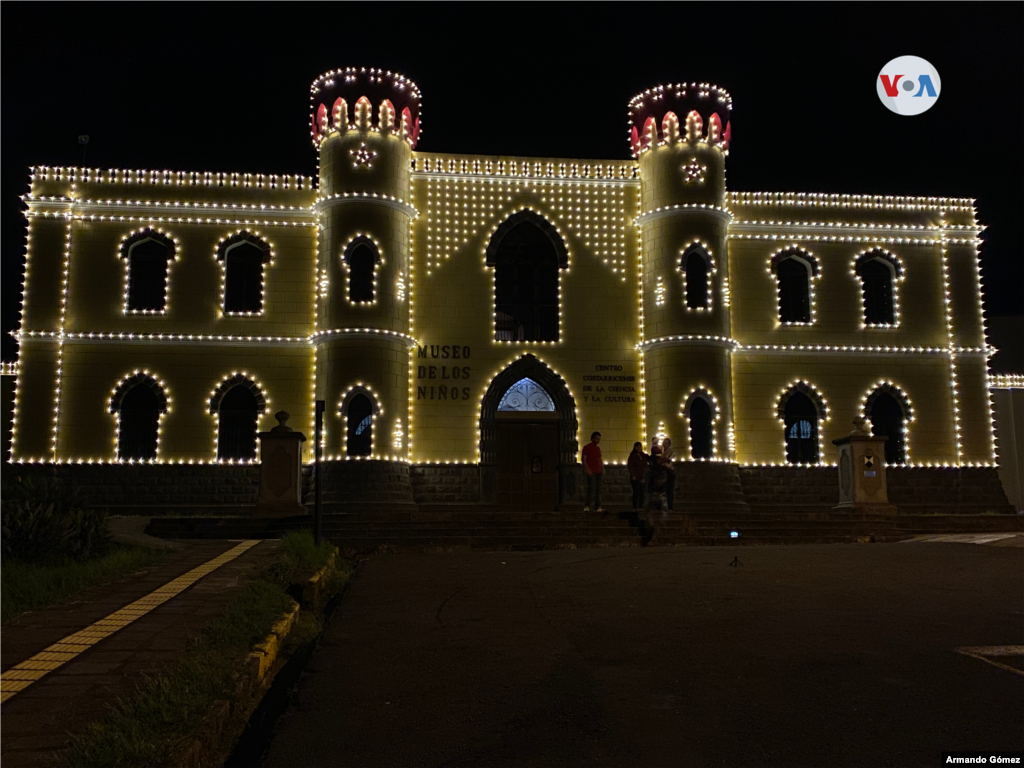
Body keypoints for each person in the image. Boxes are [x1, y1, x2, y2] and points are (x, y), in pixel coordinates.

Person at [581, 431, 604, 513]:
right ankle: (587, 506)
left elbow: (599, 459)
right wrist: (587, 469)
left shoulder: (597, 449)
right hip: (591, 471)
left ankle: (597, 506)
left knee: (598, 490)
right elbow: (584, 459)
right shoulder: (587, 447)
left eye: (599, 439)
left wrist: (602, 468)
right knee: (590, 489)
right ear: (592, 438)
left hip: (598, 471)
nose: (598, 440)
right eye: (596, 438)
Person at [627, 441, 647, 513]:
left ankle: (641, 506)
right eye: (637, 446)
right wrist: (633, 475)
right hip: (635, 477)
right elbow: (630, 466)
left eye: (640, 446)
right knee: (636, 492)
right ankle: (635, 506)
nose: (639, 448)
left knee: (642, 492)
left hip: (642, 476)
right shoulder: (632, 456)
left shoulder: (643, 456)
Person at [661, 436, 677, 513]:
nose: (665, 444)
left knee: (669, 490)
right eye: (664, 443)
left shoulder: (671, 452)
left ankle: (670, 507)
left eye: (667, 443)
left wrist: (663, 460)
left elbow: (668, 459)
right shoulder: (661, 451)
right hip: (662, 471)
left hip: (669, 472)